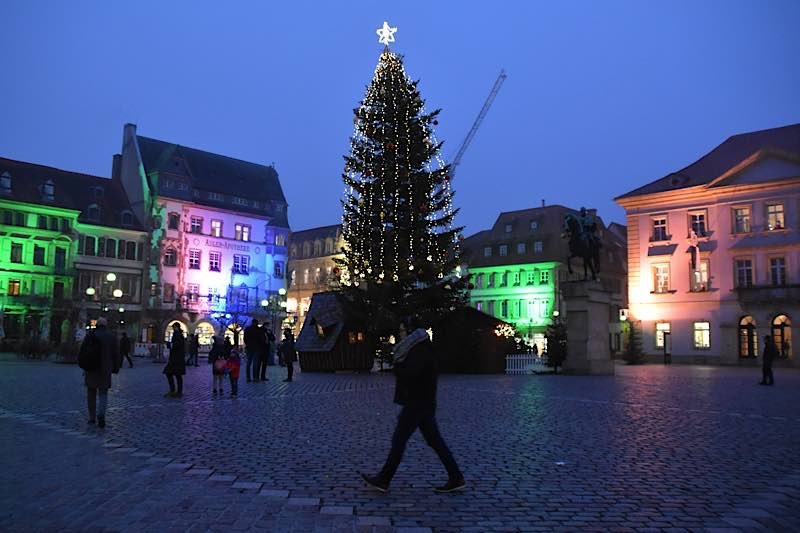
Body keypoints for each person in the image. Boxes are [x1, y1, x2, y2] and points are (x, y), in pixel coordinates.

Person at [361, 317, 465, 493]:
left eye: (402, 330)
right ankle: (456, 477)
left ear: (409, 331)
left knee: (399, 440)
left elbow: (411, 374)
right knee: (435, 441)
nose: (400, 334)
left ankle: (384, 479)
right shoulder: (420, 347)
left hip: (417, 402)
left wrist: (398, 367)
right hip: (423, 402)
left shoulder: (417, 350)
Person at [82, 317, 121, 428]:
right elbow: (116, 354)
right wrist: (116, 367)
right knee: (103, 393)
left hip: (91, 368)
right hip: (105, 369)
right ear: (106, 325)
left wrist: (84, 366)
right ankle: (101, 415)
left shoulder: (90, 335)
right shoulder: (111, 337)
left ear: (97, 325)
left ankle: (91, 417)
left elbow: (83, 352)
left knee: (91, 393)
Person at [163, 323, 187, 397]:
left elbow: (176, 345)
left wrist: (168, 344)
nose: (173, 329)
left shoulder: (177, 335)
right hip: (178, 358)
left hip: (175, 359)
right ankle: (178, 391)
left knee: (169, 373)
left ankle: (174, 391)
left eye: (174, 327)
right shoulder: (180, 334)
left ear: (176, 327)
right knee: (177, 375)